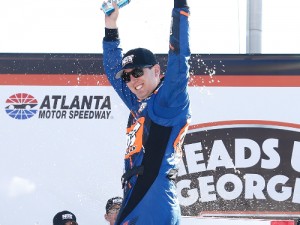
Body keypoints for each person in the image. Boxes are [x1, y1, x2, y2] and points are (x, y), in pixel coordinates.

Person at [102, 0, 191, 224]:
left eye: (138, 72)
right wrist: (110, 27)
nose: (133, 81)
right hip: (136, 195)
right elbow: (113, 68)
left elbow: (180, 57)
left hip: (154, 196)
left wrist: (180, 8)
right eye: (127, 76)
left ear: (157, 71)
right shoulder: (139, 102)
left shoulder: (168, 100)